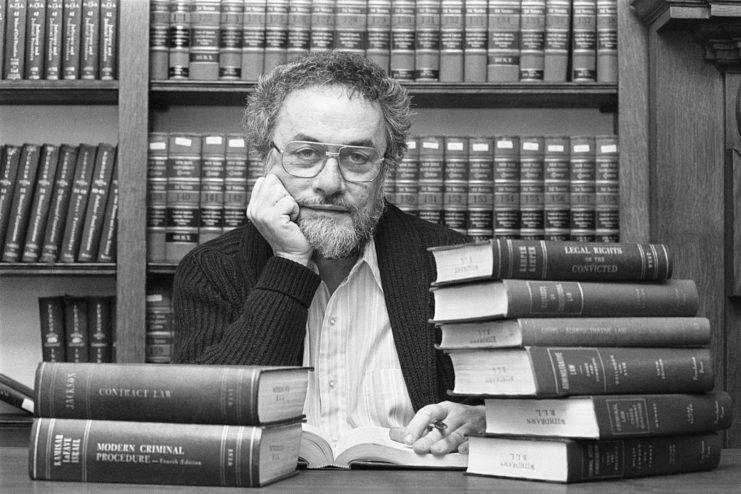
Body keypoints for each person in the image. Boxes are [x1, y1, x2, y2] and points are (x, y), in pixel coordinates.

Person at [172, 50, 485, 455]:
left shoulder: (453, 263)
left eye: (357, 157)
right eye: (306, 153)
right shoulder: (211, 270)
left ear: (385, 169)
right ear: (267, 160)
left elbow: (506, 408)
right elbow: (204, 426)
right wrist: (289, 264)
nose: (330, 183)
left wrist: (481, 419)